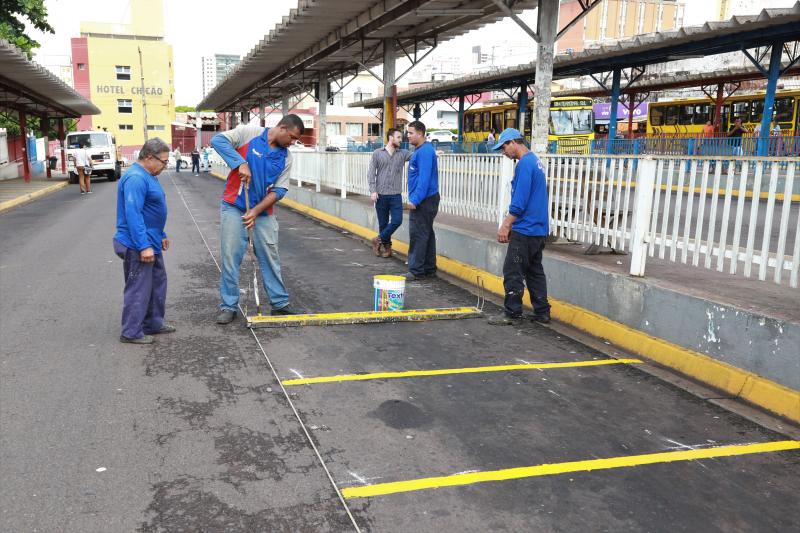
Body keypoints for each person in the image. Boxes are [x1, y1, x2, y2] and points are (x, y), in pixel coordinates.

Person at [210, 114, 305, 324]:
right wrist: (239, 163)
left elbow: (279, 190)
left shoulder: (286, 157)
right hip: (234, 207)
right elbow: (217, 140)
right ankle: (228, 306)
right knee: (230, 257)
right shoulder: (248, 133)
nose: (292, 143)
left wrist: (255, 211)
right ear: (281, 128)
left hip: (263, 213)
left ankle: (279, 304)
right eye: (291, 137)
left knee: (271, 257)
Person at [113, 138, 175, 344]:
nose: (165, 166)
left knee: (157, 283)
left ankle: (153, 323)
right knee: (139, 287)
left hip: (151, 240)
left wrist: (161, 235)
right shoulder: (136, 178)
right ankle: (131, 332)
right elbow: (133, 214)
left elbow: (151, 211)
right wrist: (144, 246)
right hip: (137, 244)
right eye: (163, 161)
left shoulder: (148, 175)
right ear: (149, 157)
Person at [487, 128, 551, 326]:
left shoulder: (524, 165)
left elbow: (519, 202)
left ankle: (512, 313)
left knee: (513, 271)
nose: (503, 152)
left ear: (514, 142)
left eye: (504, 147)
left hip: (525, 229)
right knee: (534, 271)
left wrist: (506, 225)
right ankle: (542, 312)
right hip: (538, 229)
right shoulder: (536, 162)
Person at [368, 128, 413, 258]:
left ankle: (377, 239)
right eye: (398, 137)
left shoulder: (403, 154)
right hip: (380, 194)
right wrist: (373, 190)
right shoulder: (377, 153)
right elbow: (371, 173)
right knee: (383, 224)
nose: (401, 140)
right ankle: (387, 248)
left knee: (397, 220)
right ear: (390, 138)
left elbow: (418, 155)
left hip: (395, 195)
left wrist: (433, 152)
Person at [405, 120, 439, 281]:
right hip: (427, 199)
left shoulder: (425, 152)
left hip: (424, 200)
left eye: (411, 133)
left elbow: (424, 179)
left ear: (420, 133)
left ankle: (416, 270)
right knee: (426, 233)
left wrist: (416, 200)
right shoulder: (421, 150)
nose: (408, 136)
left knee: (418, 233)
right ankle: (428, 268)